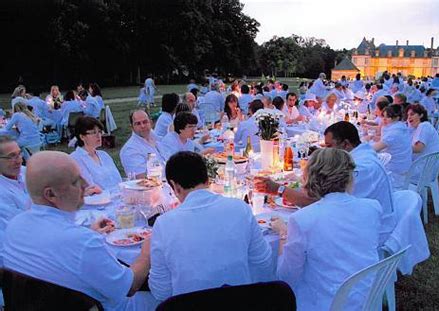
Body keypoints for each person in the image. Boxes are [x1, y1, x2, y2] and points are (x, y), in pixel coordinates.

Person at [1, 151, 156, 310]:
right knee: (170, 292)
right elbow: (130, 286)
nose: (85, 185)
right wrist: (147, 251)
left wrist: (91, 233)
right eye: (75, 181)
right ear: (51, 194)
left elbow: (56, 256)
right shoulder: (82, 241)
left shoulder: (15, 225)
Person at [149, 151, 273, 303]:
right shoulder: (240, 209)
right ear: (208, 179)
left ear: (175, 186)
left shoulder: (164, 224)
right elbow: (263, 264)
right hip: (241, 303)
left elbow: (161, 291)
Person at [275, 148, 382, 310]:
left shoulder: (302, 219)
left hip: (324, 303)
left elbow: (285, 277)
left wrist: (284, 233)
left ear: (311, 177)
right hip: (365, 297)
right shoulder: (373, 208)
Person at [0, 137, 31, 263]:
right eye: (11, 156)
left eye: (19, 154)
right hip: (19, 254)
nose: (19, 160)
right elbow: (22, 225)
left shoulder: (24, 172)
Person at [70, 117, 122, 192]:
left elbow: (118, 180)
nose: (98, 136)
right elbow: (91, 187)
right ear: (82, 137)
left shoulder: (104, 155)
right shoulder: (76, 159)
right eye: (94, 133)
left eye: (100, 132)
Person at [372, 105, 412, 189]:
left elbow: (374, 149)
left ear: (397, 118)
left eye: (388, 117)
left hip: (395, 172)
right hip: (402, 167)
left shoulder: (395, 132)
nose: (384, 119)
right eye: (384, 116)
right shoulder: (401, 128)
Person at [120, 110, 165, 179]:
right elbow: (142, 178)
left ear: (151, 123)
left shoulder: (157, 139)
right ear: (132, 127)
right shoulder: (130, 149)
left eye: (145, 122)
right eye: (138, 123)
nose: (142, 126)